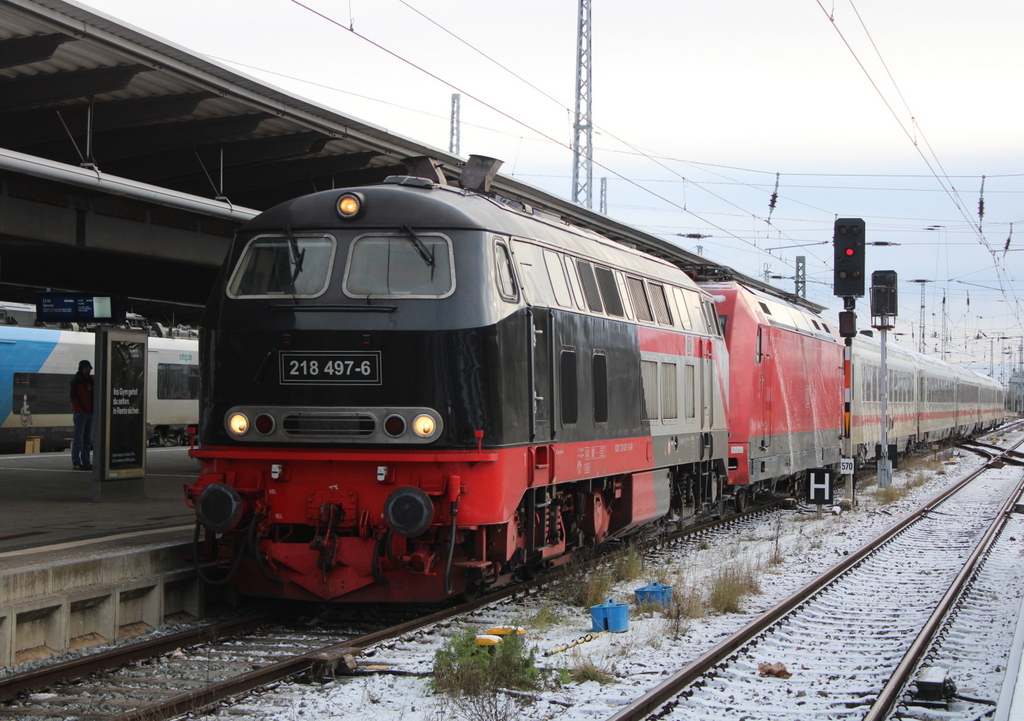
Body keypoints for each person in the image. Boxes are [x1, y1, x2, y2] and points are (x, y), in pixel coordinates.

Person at [70, 359, 93, 471]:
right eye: (86, 368)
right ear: (81, 368)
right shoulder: (76, 381)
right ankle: (76, 462)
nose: (88, 370)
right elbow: (73, 398)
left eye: (89, 368)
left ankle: (86, 461)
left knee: (87, 439)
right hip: (80, 413)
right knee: (78, 438)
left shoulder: (91, 381)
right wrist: (80, 409)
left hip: (89, 413)